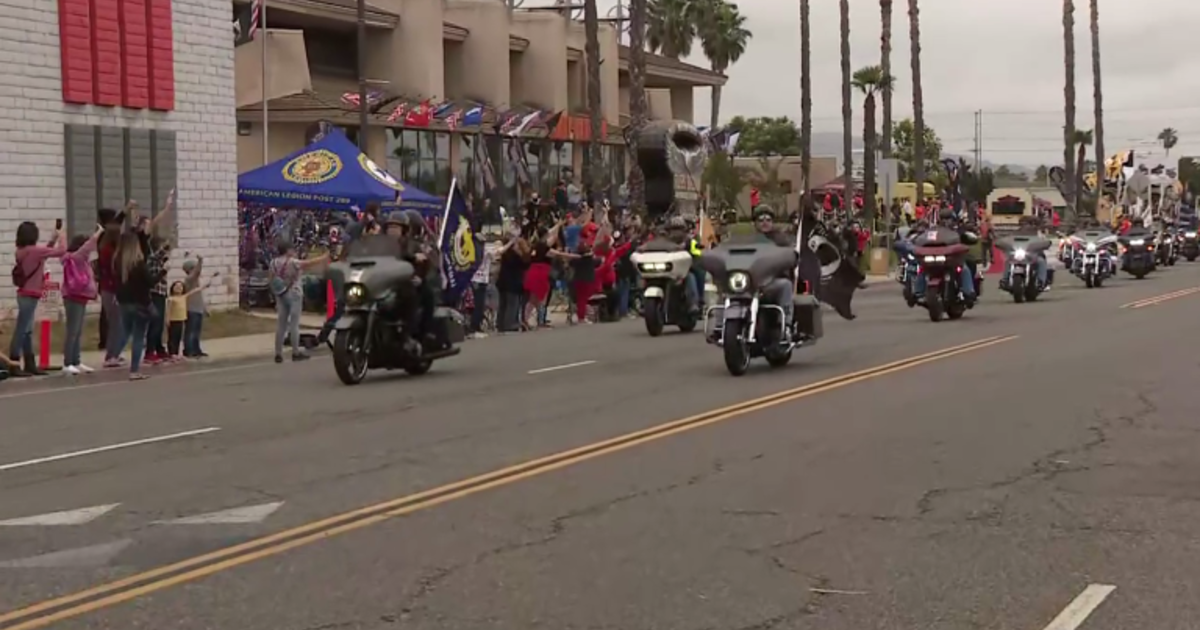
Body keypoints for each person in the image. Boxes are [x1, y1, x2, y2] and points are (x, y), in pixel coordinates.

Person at [9, 221, 66, 377]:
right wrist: (62, 236)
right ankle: (13, 363)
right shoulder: (34, 251)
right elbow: (62, 251)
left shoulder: (21, 251)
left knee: (27, 331)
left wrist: (53, 238)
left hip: (24, 293)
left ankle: (29, 364)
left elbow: (43, 254)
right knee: (21, 331)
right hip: (30, 294)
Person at [114, 231, 166, 380]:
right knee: (138, 336)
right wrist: (163, 271)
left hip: (123, 301)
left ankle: (113, 355)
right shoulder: (139, 264)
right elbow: (150, 283)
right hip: (140, 303)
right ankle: (134, 370)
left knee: (126, 330)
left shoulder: (117, 262)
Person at [269, 240, 327, 364]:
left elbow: (271, 278)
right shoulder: (292, 262)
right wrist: (323, 258)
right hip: (294, 292)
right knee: (294, 324)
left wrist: (277, 291)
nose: (294, 251)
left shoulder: (273, 263)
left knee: (281, 324)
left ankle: (278, 353)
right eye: (292, 249)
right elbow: (308, 264)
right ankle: (295, 352)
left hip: (281, 294)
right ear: (287, 250)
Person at [60, 225, 105, 375]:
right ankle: (68, 363)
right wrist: (98, 233)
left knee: (77, 331)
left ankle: (76, 361)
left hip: (80, 295)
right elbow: (88, 246)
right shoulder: (76, 257)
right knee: (73, 330)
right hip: (73, 296)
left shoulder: (77, 259)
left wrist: (61, 234)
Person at [748, 205, 797, 325]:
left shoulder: (781, 239)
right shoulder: (749, 239)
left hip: (772, 281)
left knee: (785, 285)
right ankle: (721, 325)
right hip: (750, 283)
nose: (765, 223)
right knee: (727, 289)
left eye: (768, 220)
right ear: (755, 223)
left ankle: (786, 322)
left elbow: (791, 254)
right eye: (761, 220)